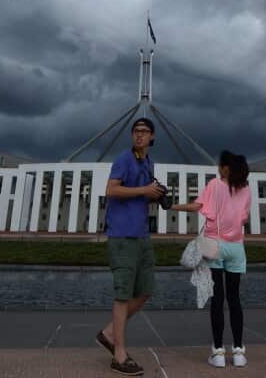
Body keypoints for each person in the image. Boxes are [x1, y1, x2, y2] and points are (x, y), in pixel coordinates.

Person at [97, 117, 166, 377]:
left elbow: (142, 193)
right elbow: (111, 191)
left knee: (146, 290)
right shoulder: (124, 159)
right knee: (122, 294)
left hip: (141, 235)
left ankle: (108, 333)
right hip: (122, 235)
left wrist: (155, 195)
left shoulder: (147, 163)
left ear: (152, 137)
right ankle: (119, 355)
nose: (139, 135)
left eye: (144, 131)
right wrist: (143, 190)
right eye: (135, 131)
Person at [171, 150, 252, 368]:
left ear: (226, 168)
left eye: (220, 165)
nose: (218, 168)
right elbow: (243, 217)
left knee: (217, 299)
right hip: (236, 247)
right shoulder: (246, 189)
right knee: (234, 299)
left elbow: (197, 207)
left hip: (213, 244)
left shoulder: (214, 185)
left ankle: (217, 353)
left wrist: (171, 205)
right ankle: (238, 352)